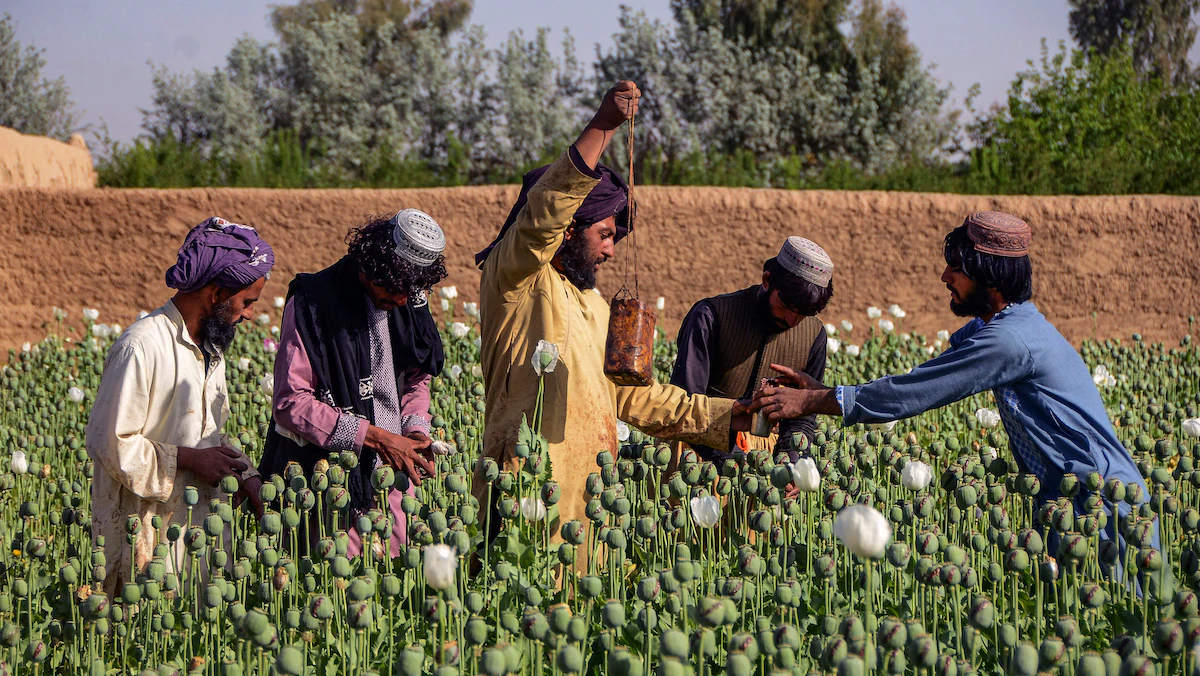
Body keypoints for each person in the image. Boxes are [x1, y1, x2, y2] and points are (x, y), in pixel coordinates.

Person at [750, 212, 1153, 549]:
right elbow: (920, 377)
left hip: (1103, 509)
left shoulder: (1010, 341)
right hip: (1063, 504)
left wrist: (809, 402)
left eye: (956, 268)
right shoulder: (1001, 327)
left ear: (990, 277)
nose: (945, 276)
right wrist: (822, 392)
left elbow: (916, 393)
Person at [473, 81, 741, 542]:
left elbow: (636, 398)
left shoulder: (596, 307)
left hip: (590, 502)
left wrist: (729, 415)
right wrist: (604, 125)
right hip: (524, 490)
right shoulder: (515, 280)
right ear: (569, 229)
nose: (612, 250)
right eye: (605, 234)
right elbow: (543, 215)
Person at [86, 217, 272, 594]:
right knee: (145, 622)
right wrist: (188, 460)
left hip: (198, 531)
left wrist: (247, 474)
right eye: (247, 302)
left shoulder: (210, 350)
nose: (250, 314)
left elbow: (209, 435)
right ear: (216, 294)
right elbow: (110, 443)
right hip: (142, 537)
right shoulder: (141, 347)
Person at [257, 209, 446, 558]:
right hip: (329, 486)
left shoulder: (406, 302)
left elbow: (416, 378)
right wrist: (376, 438)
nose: (401, 300)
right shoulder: (313, 305)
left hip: (393, 485)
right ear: (369, 268)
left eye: (410, 291)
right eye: (393, 289)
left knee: (394, 579)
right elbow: (290, 402)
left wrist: (415, 431)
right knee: (335, 581)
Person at [671, 237, 834, 462]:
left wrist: (790, 464)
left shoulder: (814, 335)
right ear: (767, 280)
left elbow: (801, 417)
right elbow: (685, 404)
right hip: (696, 451)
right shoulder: (710, 317)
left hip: (764, 459)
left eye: (803, 314)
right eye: (786, 307)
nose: (791, 321)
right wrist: (734, 463)